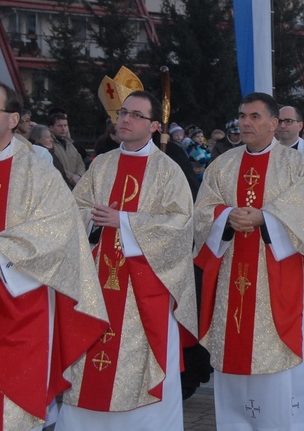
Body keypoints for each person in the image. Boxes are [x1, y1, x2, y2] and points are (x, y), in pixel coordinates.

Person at [0, 79, 108, 429]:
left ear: (13, 119)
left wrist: (1, 249)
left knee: (13, 409)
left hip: (21, 305)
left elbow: (61, 231)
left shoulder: (38, 172)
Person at [193, 92, 304, 430]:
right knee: (233, 351)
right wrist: (226, 216)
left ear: (274, 124)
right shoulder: (223, 165)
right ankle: (234, 423)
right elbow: (201, 213)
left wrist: (265, 218)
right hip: (232, 275)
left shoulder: (295, 166)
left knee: (276, 356)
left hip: (280, 276)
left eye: (254, 117)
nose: (245, 122)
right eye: (242, 116)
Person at [57, 91, 198, 429]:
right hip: (96, 284)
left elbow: (181, 226)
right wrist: (93, 218)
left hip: (143, 289)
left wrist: (125, 221)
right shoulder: (101, 164)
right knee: (89, 360)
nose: (124, 120)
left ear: (152, 126)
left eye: (135, 115)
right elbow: (73, 211)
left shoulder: (167, 170)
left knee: (141, 362)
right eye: (122, 113)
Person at [49, 112, 85, 187]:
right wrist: (71, 177)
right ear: (51, 127)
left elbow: (80, 162)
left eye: (65, 125)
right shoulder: (49, 144)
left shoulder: (70, 144)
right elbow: (52, 165)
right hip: (59, 186)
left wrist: (79, 175)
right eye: (59, 126)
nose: (63, 128)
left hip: (75, 186)